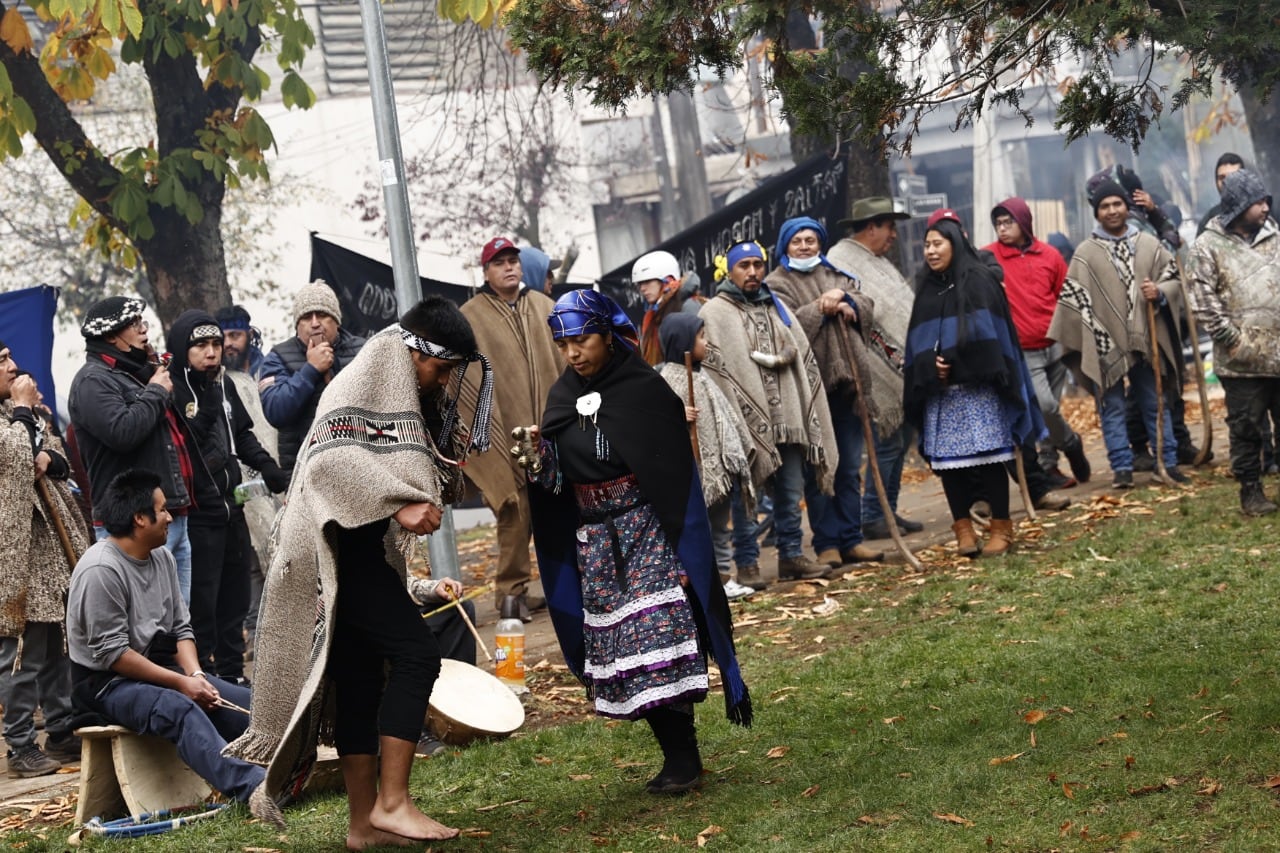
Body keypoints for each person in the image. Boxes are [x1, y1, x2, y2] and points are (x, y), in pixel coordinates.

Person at [227, 296, 492, 846]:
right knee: (418, 656)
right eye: (439, 369)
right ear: (415, 351)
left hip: (350, 555)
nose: (442, 381)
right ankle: (392, 804)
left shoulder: (393, 379)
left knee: (360, 680)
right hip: (339, 556)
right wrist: (397, 503)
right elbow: (328, 461)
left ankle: (361, 827)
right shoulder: (362, 380)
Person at [520, 289, 751, 796]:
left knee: (656, 633)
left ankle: (683, 758)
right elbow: (558, 482)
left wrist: (681, 546)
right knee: (626, 646)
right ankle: (677, 754)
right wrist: (540, 463)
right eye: (564, 344)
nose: (573, 353)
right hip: (598, 542)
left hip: (647, 529)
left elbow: (671, 475)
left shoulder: (644, 391)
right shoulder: (561, 398)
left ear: (607, 335)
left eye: (582, 340)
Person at [65, 469, 265, 803]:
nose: (170, 517)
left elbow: (180, 629)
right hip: (106, 684)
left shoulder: (162, 557)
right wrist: (182, 685)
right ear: (139, 519)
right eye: (162, 510)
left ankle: (293, 768)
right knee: (179, 707)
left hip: (156, 670)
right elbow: (114, 655)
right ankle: (254, 789)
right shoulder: (100, 569)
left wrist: (196, 675)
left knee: (248, 704)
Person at [699, 240, 837, 586]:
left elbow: (800, 356)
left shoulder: (775, 307)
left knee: (791, 492)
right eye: (743, 265)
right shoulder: (714, 314)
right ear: (729, 271)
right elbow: (713, 371)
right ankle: (747, 565)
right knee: (747, 497)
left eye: (757, 265)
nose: (752, 272)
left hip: (787, 422)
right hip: (742, 426)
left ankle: (792, 556)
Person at [903, 218, 1043, 558]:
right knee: (951, 464)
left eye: (938, 244)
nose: (931, 251)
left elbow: (992, 339)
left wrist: (954, 361)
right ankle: (963, 529)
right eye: (927, 245)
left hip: (980, 391)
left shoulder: (979, 281)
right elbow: (917, 342)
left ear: (955, 244)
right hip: (942, 394)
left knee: (990, 459)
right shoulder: (926, 288)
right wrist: (928, 366)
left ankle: (1001, 528)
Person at [168, 310, 289, 684]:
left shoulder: (226, 385)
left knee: (235, 598)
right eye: (201, 346)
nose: (211, 353)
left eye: (216, 344)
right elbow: (185, 440)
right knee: (202, 602)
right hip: (198, 514)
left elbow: (244, 436)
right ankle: (206, 674)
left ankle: (234, 675)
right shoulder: (171, 389)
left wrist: (269, 467)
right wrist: (202, 406)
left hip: (232, 506)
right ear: (183, 350)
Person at [1049, 179, 1189, 489]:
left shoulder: (1148, 244)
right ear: (1096, 213)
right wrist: (1090, 326)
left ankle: (1167, 461)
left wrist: (1160, 291)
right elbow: (1074, 300)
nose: (1112, 211)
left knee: (1155, 400)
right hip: (1103, 344)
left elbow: (1174, 278)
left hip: (1146, 339)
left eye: (1117, 204)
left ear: (1127, 207)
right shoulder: (1085, 254)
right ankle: (1122, 468)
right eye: (1104, 206)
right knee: (1111, 407)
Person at [766, 216, 884, 570]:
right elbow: (785, 326)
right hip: (809, 390)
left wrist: (846, 299)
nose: (804, 246)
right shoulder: (776, 283)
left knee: (848, 466)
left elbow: (866, 305)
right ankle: (827, 543)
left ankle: (851, 538)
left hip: (847, 385)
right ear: (785, 246)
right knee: (820, 469)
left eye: (811, 240)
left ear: (820, 243)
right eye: (797, 241)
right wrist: (822, 306)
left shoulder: (837, 274)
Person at [456, 237, 561, 620]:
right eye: (499, 262)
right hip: (505, 432)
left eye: (513, 260)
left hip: (550, 433)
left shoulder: (546, 308)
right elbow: (465, 382)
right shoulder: (471, 317)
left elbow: (567, 362)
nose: (509, 267)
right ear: (486, 272)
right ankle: (510, 595)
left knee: (558, 516)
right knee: (515, 517)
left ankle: (563, 589)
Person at [0, 345, 91, 777]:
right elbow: (13, 465)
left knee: (57, 644)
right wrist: (21, 411)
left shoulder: (19, 414)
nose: (13, 366)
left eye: (10, 357)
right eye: (1, 360)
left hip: (47, 549)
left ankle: (60, 728)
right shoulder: (15, 412)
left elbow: (59, 459)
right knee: (22, 652)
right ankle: (19, 744)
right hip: (13, 556)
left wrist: (47, 457)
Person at [68, 296, 195, 602]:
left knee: (177, 624)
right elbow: (122, 432)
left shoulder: (135, 374)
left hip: (169, 515)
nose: (143, 330)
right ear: (112, 336)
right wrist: (155, 392)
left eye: (142, 321)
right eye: (134, 324)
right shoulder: (92, 381)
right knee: (145, 628)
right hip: (133, 526)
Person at [826, 196, 924, 540]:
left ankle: (888, 511)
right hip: (867, 371)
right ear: (871, 227)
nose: (894, 235)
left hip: (900, 371)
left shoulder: (875, 259)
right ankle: (873, 514)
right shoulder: (841, 260)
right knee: (885, 446)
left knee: (900, 441)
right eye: (889, 227)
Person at [1187, 170, 1280, 515]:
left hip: (1279, 354)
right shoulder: (1207, 246)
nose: (1265, 207)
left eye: (1266, 200)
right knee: (1246, 429)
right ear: (1239, 205)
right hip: (1241, 362)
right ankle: (1251, 492)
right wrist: (1234, 341)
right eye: (1258, 202)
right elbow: (1202, 301)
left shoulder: (1275, 237)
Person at [982, 197, 1091, 488]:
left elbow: (1065, 296)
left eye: (1009, 223)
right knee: (1045, 407)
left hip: (1054, 345)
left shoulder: (1050, 255)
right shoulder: (989, 257)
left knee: (1049, 408)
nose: (1002, 229)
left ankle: (1050, 466)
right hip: (1022, 349)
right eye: (998, 224)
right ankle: (1071, 443)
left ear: (1024, 223)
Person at [656, 313, 757, 600]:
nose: (707, 342)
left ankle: (724, 576)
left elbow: (722, 417)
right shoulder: (666, 382)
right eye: (701, 337)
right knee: (697, 531)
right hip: (689, 477)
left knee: (719, 528)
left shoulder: (701, 376)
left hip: (717, 475)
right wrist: (676, 416)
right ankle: (701, 582)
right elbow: (655, 427)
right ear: (684, 342)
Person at [216, 304, 278, 660]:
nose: (229, 344)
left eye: (235, 336)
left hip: (272, 474)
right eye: (224, 336)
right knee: (251, 558)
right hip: (239, 480)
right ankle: (256, 632)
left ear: (248, 334)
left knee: (275, 551)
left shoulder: (264, 371)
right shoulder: (218, 382)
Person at [260, 280, 366, 474]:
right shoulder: (278, 357)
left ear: (336, 320)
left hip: (362, 466)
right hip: (305, 473)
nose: (315, 323)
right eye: (307, 317)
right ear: (297, 325)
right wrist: (311, 370)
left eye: (323, 315)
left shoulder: (364, 351)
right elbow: (275, 411)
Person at [633, 250, 691, 365]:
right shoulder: (651, 315)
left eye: (647, 281)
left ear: (668, 279)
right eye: (640, 284)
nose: (642, 288)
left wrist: (657, 371)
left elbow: (690, 355)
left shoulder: (687, 305)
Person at [1196, 153, 1246, 237]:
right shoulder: (1209, 221)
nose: (1227, 182)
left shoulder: (1260, 212)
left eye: (1233, 177)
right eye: (1222, 178)